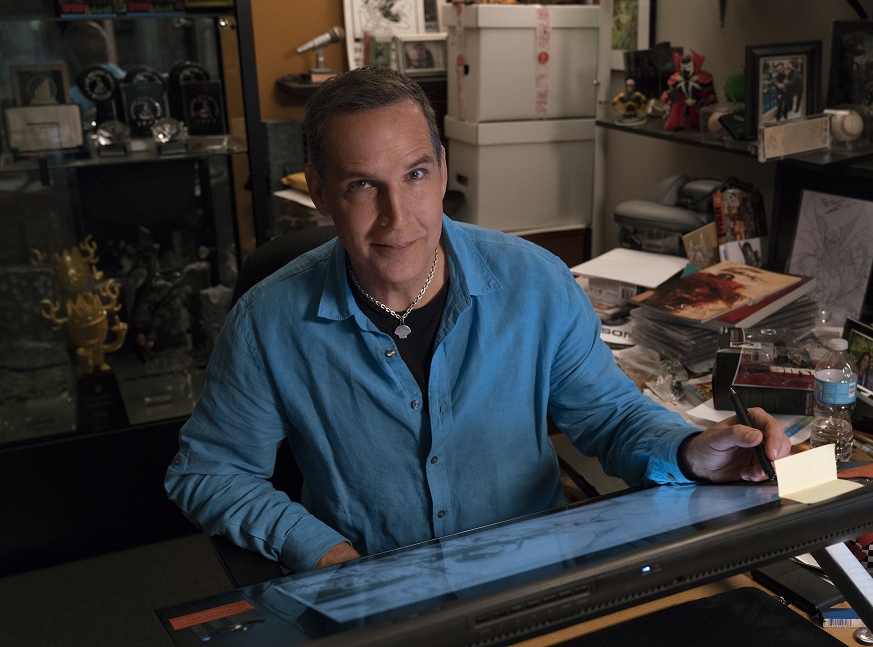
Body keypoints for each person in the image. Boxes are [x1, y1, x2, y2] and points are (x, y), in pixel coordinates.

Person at [164, 66, 791, 573]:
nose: (398, 216)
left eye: (415, 175)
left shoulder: (536, 283)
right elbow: (210, 472)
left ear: (441, 171)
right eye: (362, 186)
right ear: (320, 192)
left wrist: (690, 452)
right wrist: (321, 552)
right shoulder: (267, 322)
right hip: (378, 596)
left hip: (530, 581)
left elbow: (609, 417)